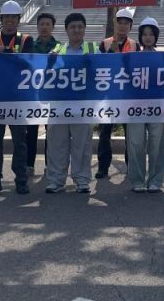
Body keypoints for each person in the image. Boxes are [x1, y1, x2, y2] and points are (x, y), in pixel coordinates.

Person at [0, 0, 35, 196]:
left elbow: (28, 62)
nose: (10, 20)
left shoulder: (26, 41)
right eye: (7, 17)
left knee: (20, 142)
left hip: (18, 101)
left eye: (13, 17)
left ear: (18, 20)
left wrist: (7, 51)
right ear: (1, 19)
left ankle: (21, 180)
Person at [45, 12, 98, 195]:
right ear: (66, 30)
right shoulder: (56, 51)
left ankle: (82, 180)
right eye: (73, 27)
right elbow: (46, 75)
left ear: (84, 29)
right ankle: (56, 180)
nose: (76, 30)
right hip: (59, 105)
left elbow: (104, 73)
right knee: (56, 145)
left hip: (83, 106)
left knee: (82, 145)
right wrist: (49, 63)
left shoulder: (93, 49)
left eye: (80, 27)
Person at [127, 17, 164, 193]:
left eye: (151, 34)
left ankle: (155, 180)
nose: (148, 37)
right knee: (135, 143)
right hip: (135, 106)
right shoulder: (132, 57)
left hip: (158, 106)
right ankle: (137, 180)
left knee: (157, 144)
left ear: (156, 36)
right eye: (144, 34)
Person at [96, 6, 137, 179]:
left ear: (130, 26)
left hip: (127, 96)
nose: (122, 26)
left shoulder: (134, 45)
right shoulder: (105, 43)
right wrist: (111, 50)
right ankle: (103, 167)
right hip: (109, 96)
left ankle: (131, 165)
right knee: (105, 132)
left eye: (126, 23)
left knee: (130, 133)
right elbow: (100, 66)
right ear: (115, 24)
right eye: (120, 22)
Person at [24, 11, 59, 182]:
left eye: (47, 24)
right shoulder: (29, 46)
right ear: (37, 27)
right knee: (30, 131)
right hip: (33, 95)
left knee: (51, 132)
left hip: (51, 95)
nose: (44, 27)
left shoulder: (59, 47)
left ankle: (49, 165)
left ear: (53, 27)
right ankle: (28, 165)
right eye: (41, 24)